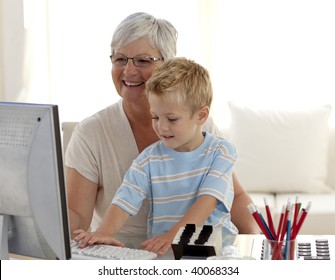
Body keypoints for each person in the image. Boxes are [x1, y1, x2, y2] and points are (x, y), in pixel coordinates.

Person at [65, 12, 258, 239]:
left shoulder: (199, 126)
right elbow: (77, 213)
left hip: (192, 250)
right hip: (124, 254)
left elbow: (233, 195)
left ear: (169, 65)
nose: (128, 71)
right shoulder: (92, 133)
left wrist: (260, 242)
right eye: (120, 59)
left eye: (143, 60)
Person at [74, 57, 238, 256]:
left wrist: (174, 235)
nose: (161, 127)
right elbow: (125, 198)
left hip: (214, 250)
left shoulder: (221, 151)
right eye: (155, 117)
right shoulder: (149, 159)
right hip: (165, 250)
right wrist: (104, 232)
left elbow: (208, 200)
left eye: (171, 119)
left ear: (201, 116)